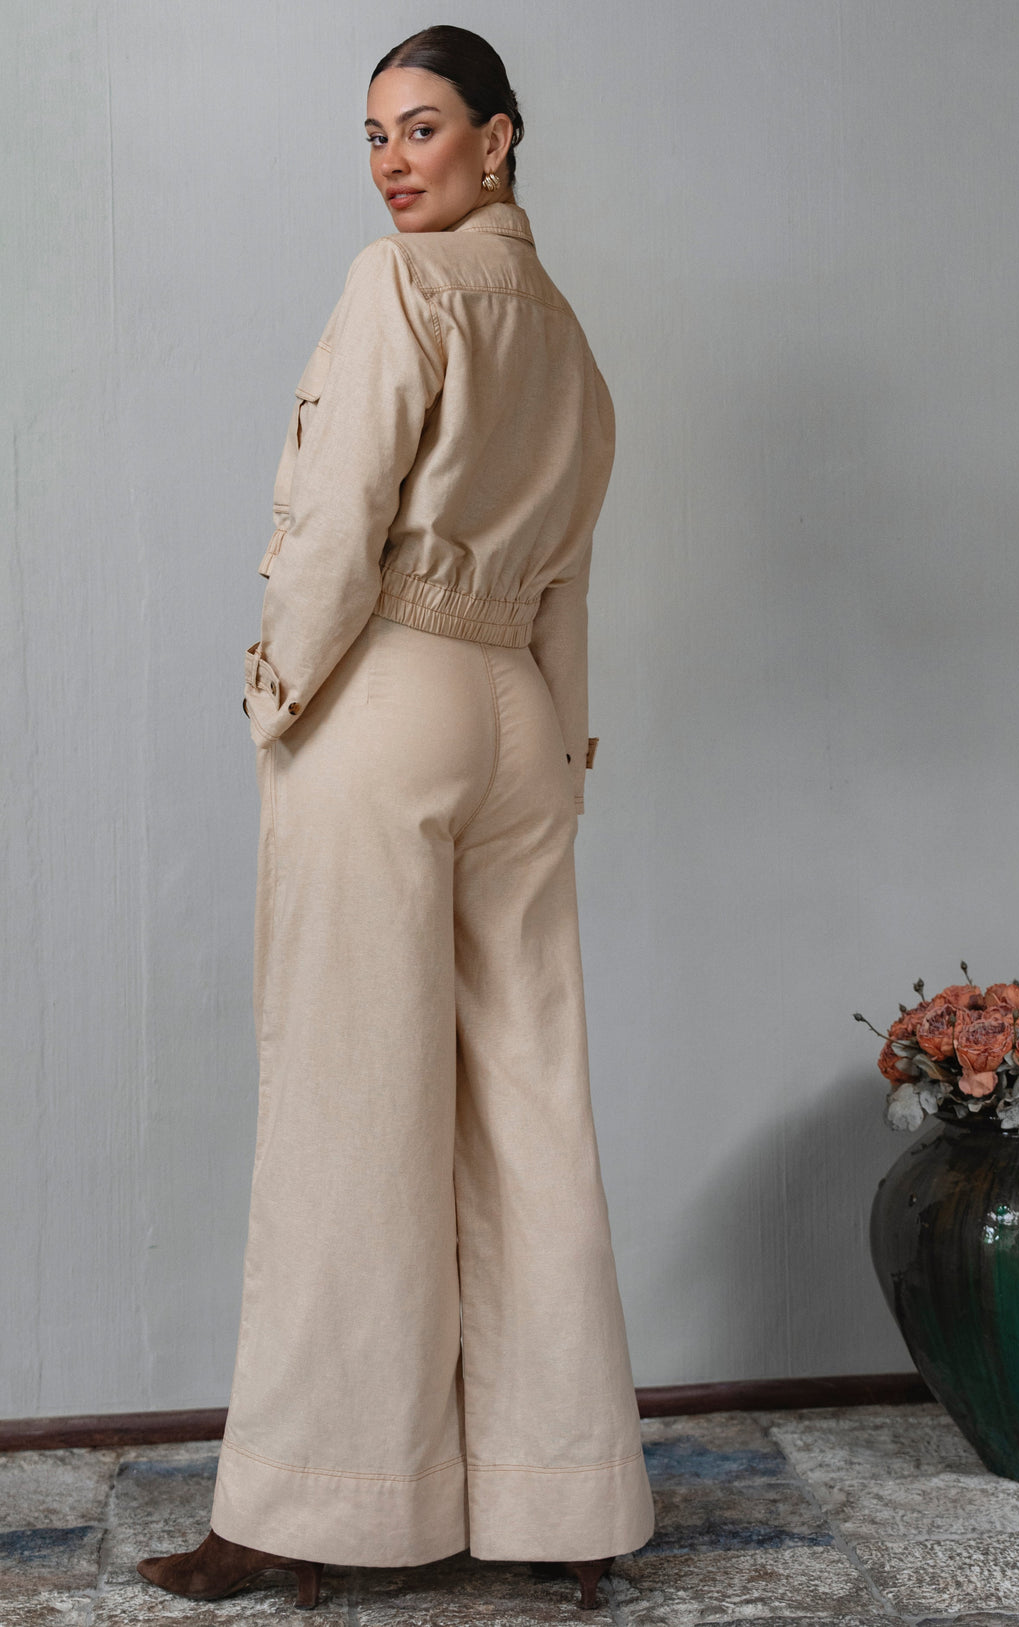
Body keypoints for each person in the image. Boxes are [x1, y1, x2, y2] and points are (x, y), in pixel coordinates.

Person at [137, 24, 655, 1612]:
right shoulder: (564, 334)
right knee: (529, 1098)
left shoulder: (399, 286)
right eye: (372, 135)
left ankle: (312, 1508)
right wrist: (559, 743)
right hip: (519, 718)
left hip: (392, 691)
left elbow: (340, 523)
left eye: (422, 128)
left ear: (501, 138)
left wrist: (275, 694)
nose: (390, 161)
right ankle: (563, 1503)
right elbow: (569, 574)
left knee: (348, 1108)